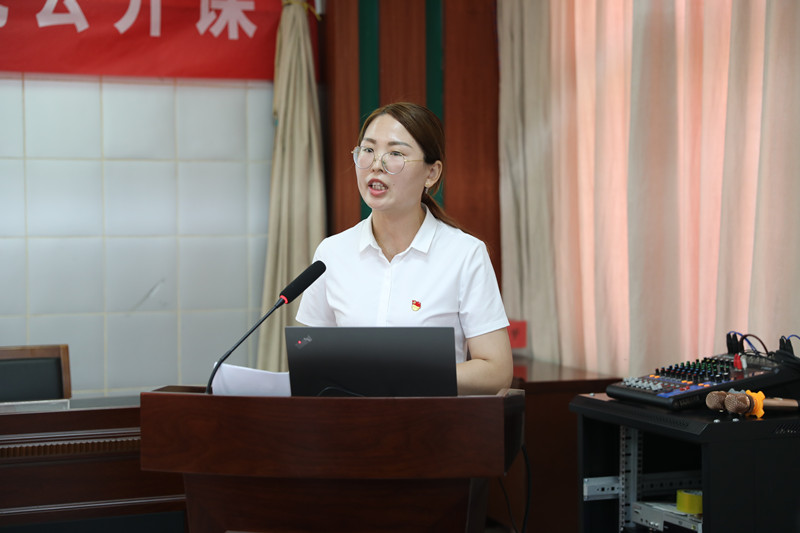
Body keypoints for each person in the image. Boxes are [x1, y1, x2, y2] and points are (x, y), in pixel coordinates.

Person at [296, 102, 512, 395]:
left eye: (395, 154)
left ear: (431, 173)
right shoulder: (331, 254)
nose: (376, 165)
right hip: (350, 420)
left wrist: (404, 374)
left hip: (432, 421)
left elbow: (496, 371)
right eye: (368, 150)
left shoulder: (465, 254)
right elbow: (310, 361)